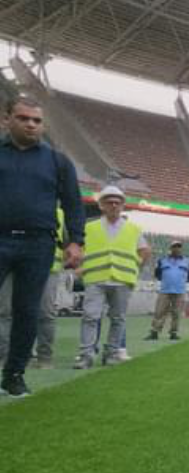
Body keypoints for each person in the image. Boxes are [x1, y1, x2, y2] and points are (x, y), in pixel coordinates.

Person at [0, 95, 85, 396]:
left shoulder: (58, 161)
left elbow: (74, 205)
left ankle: (13, 375)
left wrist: (75, 241)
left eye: (37, 120)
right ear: (6, 119)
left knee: (27, 311)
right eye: (23, 118)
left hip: (38, 245)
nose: (31, 125)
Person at [74, 186, 150, 369]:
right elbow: (78, 250)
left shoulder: (134, 229)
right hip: (96, 279)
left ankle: (111, 353)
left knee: (118, 319)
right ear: (101, 205)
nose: (114, 205)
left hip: (122, 280)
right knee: (90, 317)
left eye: (117, 202)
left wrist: (135, 267)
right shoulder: (89, 227)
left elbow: (145, 251)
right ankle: (86, 355)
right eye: (109, 201)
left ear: (123, 205)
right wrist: (79, 267)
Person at [0, 208, 67, 369]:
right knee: (5, 311)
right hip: (8, 264)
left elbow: (68, 242)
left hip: (46, 266)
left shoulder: (59, 213)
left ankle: (44, 357)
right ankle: (6, 356)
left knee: (45, 312)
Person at [146, 241, 189, 341]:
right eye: (175, 247)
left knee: (177, 313)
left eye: (179, 247)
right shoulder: (162, 261)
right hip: (165, 290)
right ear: (171, 249)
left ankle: (174, 333)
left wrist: (182, 281)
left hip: (180, 291)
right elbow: (157, 274)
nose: (177, 249)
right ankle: (154, 332)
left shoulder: (188, 261)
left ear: (181, 249)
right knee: (159, 311)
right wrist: (167, 280)